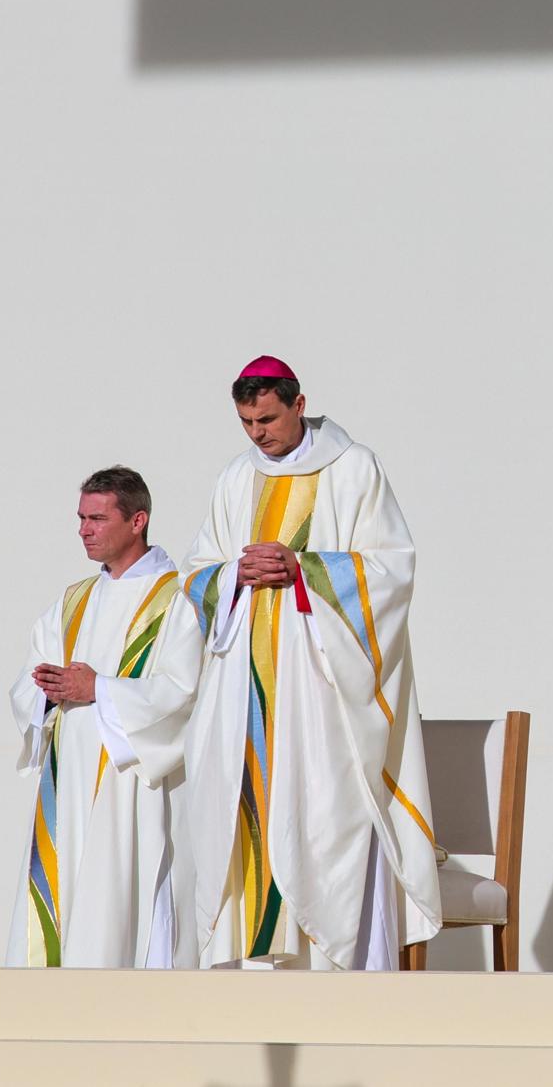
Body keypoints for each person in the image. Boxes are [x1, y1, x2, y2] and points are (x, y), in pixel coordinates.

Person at [181, 355, 440, 969]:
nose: (257, 434)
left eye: (267, 419)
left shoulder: (354, 470)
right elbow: (195, 573)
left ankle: (334, 966)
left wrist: (304, 568)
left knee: (326, 813)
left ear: (299, 405)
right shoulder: (234, 479)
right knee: (245, 808)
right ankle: (253, 966)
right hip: (248, 687)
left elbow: (391, 569)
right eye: (246, 422)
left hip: (324, 690)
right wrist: (233, 573)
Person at [6, 466, 201, 967]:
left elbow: (186, 694)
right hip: (68, 782)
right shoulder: (74, 601)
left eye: (96, 518)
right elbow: (28, 682)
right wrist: (49, 690)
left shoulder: (177, 598)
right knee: (69, 895)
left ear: (137, 521)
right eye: (80, 518)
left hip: (134, 784)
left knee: (123, 906)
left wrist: (101, 690)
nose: (84, 530)